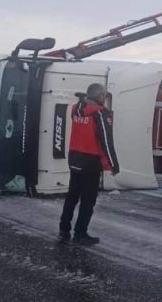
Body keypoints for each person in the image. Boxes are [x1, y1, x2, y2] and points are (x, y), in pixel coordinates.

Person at [59, 83, 120, 245]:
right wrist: (114, 164)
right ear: (100, 96)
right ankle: (80, 234)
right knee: (88, 200)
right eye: (105, 96)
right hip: (90, 161)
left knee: (72, 196)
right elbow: (106, 141)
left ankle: (63, 230)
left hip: (74, 157)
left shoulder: (75, 109)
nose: (105, 99)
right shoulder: (100, 113)